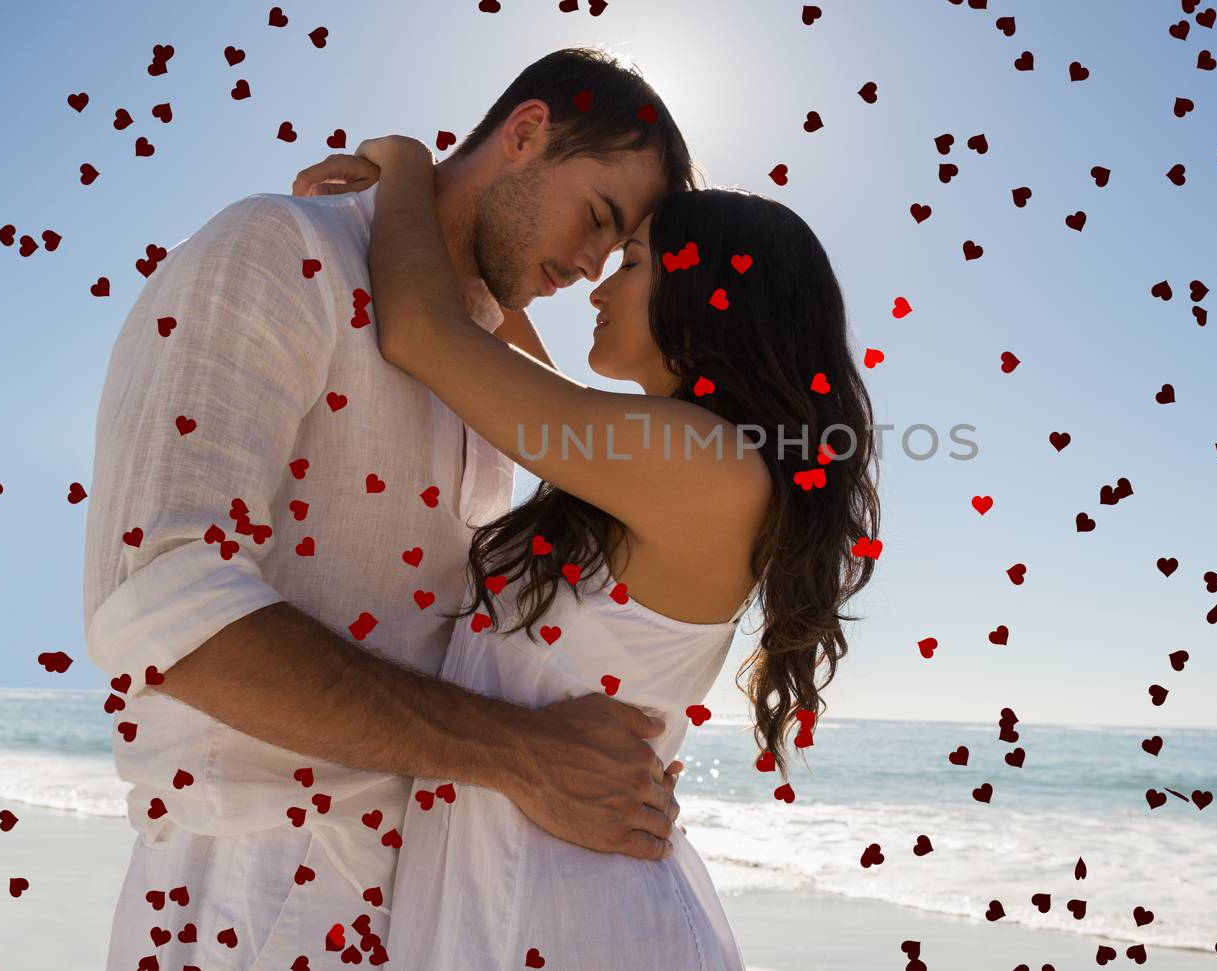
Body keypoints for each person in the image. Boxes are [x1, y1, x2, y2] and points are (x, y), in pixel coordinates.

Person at [82, 47, 697, 970]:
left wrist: (597, 759)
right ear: (525, 132)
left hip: (437, 897)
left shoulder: (482, 368)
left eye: (617, 251)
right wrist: (529, 754)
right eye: (597, 217)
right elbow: (162, 604)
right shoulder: (280, 248)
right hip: (259, 891)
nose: (587, 265)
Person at [285, 132, 881, 968]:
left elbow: (423, 330)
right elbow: (501, 350)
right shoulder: (673, 457)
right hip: (525, 891)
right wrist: (454, 214)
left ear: (708, 295)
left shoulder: (704, 464)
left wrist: (411, 162)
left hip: (570, 913)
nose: (601, 280)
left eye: (633, 260)